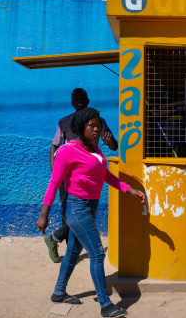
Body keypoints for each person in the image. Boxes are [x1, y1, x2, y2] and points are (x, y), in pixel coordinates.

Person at [36, 107, 145, 318]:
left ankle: (59, 292)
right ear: (81, 127)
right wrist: (44, 214)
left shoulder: (95, 149)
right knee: (97, 253)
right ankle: (105, 304)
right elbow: (55, 182)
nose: (97, 129)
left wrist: (128, 189)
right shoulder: (68, 150)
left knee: (73, 252)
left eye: (98, 125)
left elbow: (106, 176)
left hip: (90, 207)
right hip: (77, 208)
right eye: (92, 126)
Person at [44, 88, 118, 263]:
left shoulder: (98, 122)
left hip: (90, 178)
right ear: (72, 102)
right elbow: (54, 146)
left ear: (87, 100)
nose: (79, 100)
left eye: (82, 98)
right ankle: (70, 251)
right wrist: (56, 171)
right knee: (69, 214)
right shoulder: (64, 122)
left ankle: (54, 238)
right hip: (68, 177)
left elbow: (113, 146)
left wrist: (110, 140)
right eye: (75, 98)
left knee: (85, 216)